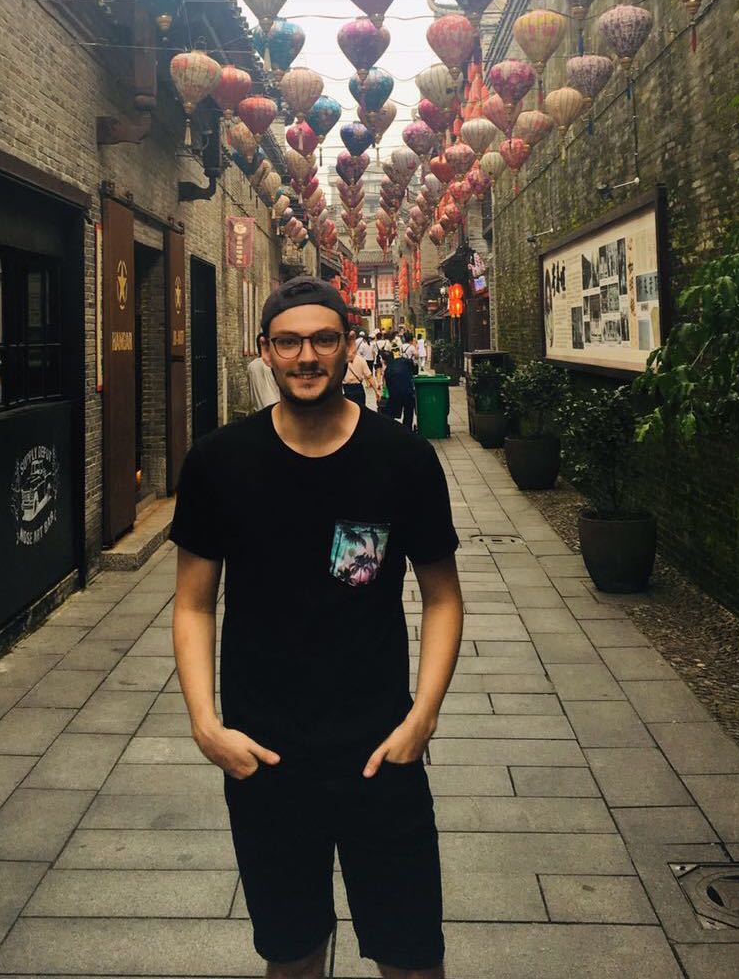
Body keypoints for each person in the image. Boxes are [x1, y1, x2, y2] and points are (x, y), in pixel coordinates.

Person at [170, 275, 463, 979]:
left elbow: (443, 597)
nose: (307, 356)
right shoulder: (219, 462)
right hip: (264, 755)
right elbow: (193, 604)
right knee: (292, 953)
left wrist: (422, 717)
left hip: (380, 751)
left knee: (412, 956)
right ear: (266, 350)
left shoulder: (401, 459)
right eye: (290, 342)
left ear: (347, 345)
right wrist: (206, 725)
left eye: (323, 340)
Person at [383, 349, 417, 430]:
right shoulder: (402, 360)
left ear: (384, 361)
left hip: (396, 394)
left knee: (390, 410)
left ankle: (390, 428)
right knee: (408, 411)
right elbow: (412, 364)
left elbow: (388, 387)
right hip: (408, 391)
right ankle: (407, 429)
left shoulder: (388, 370)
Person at [343, 338, 379, 409]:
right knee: (361, 411)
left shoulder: (340, 360)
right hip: (358, 389)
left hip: (346, 389)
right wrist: (376, 391)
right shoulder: (361, 360)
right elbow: (369, 377)